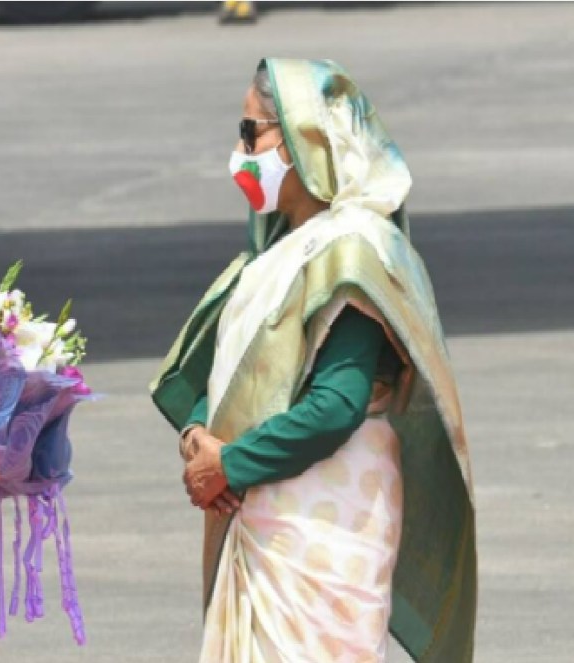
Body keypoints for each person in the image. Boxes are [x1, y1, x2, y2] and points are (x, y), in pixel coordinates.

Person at [150, 58, 477, 662]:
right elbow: (239, 373)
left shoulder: (351, 253)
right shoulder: (275, 254)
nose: (240, 151)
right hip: (261, 510)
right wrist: (199, 433)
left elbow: (336, 404)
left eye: (252, 133)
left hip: (323, 526)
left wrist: (233, 463)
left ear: (306, 139)